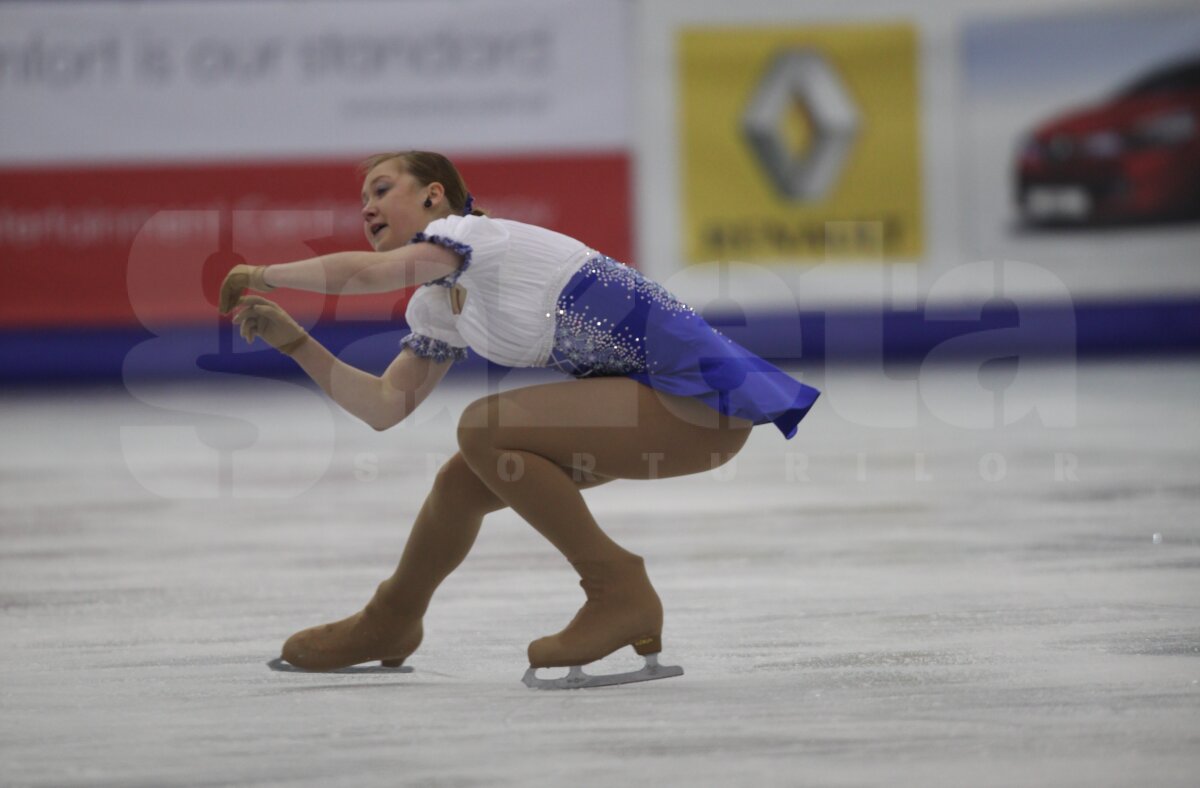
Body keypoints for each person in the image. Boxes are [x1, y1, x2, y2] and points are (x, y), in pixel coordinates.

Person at [219, 150, 820, 689]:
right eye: (362, 201)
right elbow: (385, 406)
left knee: (485, 427)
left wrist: (266, 274)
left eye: (381, 190)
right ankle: (391, 618)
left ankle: (617, 588)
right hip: (654, 405)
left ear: (433, 195)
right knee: (462, 482)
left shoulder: (476, 238)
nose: (367, 208)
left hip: (698, 406)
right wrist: (296, 342)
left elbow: (369, 275)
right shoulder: (439, 300)